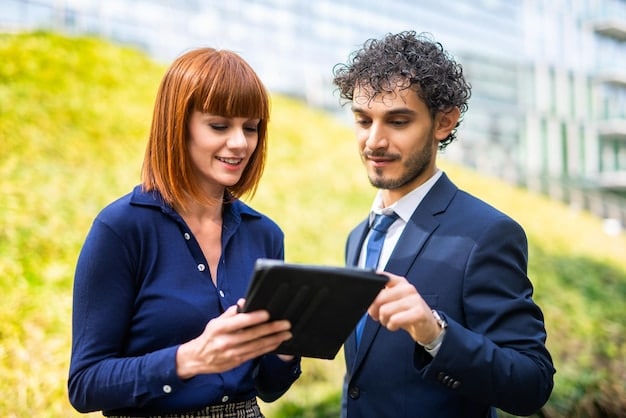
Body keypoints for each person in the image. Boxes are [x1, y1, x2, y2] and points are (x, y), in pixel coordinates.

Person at [332, 31, 555, 418]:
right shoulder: (359, 236)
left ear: (444, 122)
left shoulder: (487, 235)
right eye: (363, 120)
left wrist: (434, 334)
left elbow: (531, 383)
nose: (374, 141)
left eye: (397, 121)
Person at [68, 47, 301, 417]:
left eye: (251, 127)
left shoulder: (265, 235)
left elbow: (269, 388)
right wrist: (189, 359)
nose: (240, 143)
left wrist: (287, 346)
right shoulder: (121, 230)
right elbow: (85, 385)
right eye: (219, 125)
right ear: (178, 126)